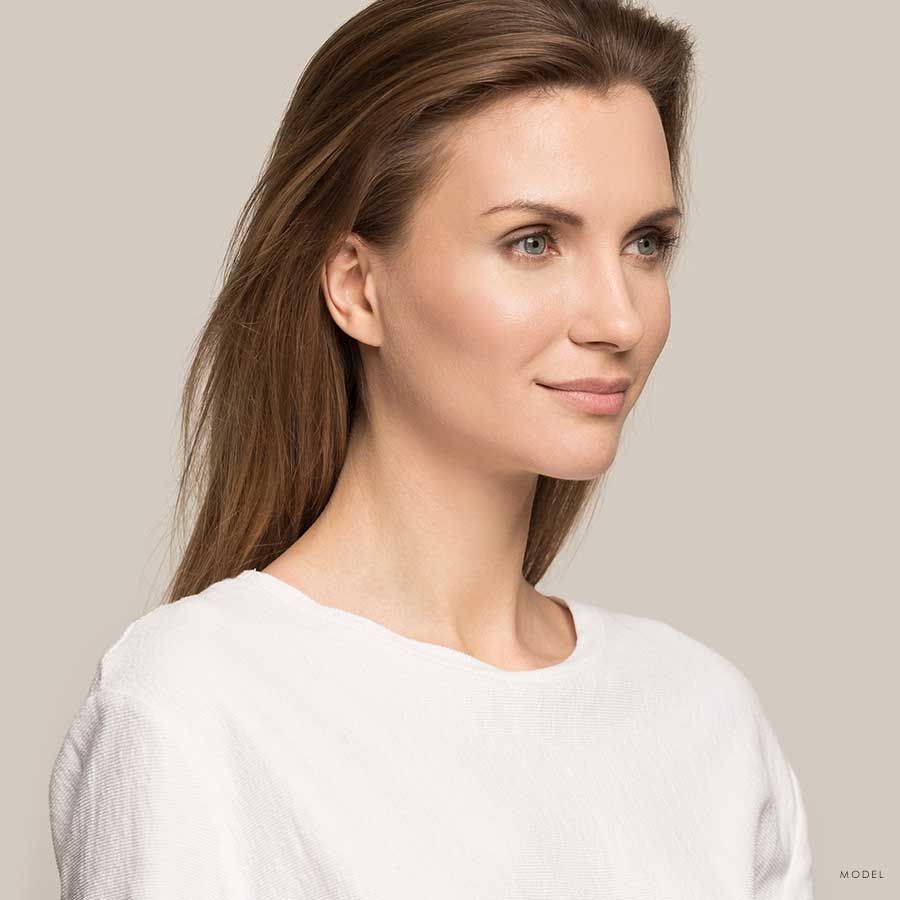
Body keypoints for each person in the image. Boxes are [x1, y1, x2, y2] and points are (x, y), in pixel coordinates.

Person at [48, 1, 814, 897]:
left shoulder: (707, 719)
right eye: (534, 242)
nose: (620, 318)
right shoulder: (198, 708)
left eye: (646, 244)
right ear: (357, 289)